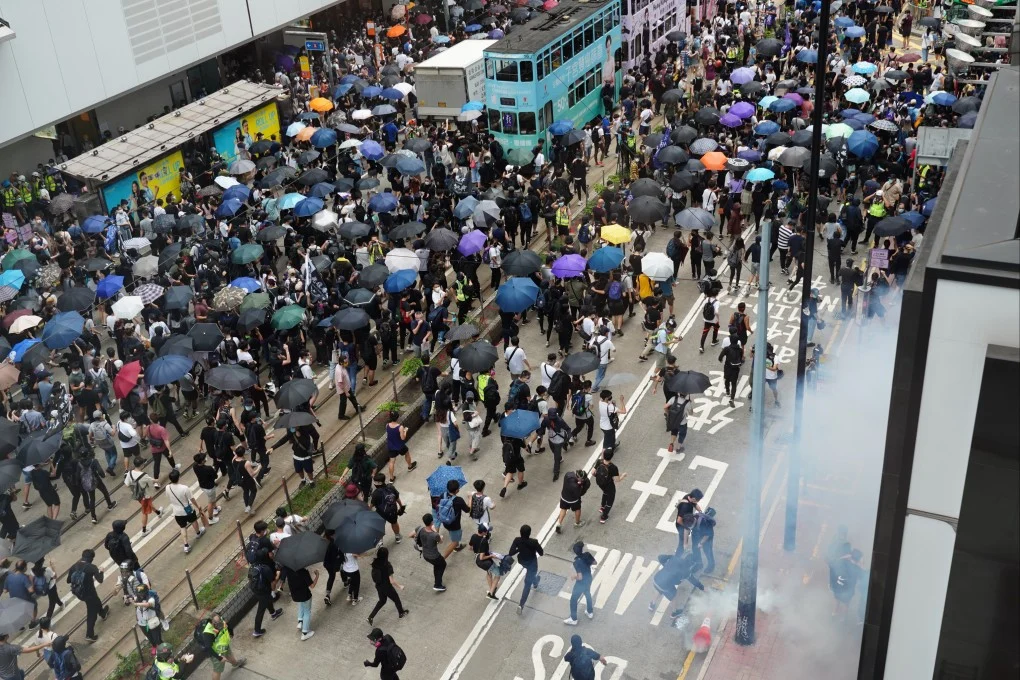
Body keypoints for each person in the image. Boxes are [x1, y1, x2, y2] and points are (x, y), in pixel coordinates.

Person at [67, 549, 108, 642]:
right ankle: (89, 635)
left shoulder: (74, 566)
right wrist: (101, 571)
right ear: (91, 558)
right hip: (90, 593)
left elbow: (68, 580)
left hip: (79, 593)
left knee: (96, 601)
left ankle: (102, 613)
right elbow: (100, 580)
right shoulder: (92, 567)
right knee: (91, 613)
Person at [165, 469, 205, 553]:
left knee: (182, 527)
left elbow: (168, 497)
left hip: (177, 512)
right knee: (193, 521)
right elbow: (192, 499)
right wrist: (198, 506)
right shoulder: (184, 488)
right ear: (179, 477)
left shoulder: (167, 487)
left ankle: (186, 545)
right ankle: (198, 533)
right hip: (187, 510)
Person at [366, 547, 408, 625]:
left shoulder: (375, 562)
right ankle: (401, 613)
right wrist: (400, 586)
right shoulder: (388, 565)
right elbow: (391, 581)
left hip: (379, 586)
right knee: (396, 599)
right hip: (387, 587)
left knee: (382, 601)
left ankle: (370, 617)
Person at [509, 524, 544, 614]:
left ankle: (535, 581)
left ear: (520, 532)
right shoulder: (534, 542)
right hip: (532, 564)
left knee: (531, 576)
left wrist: (519, 549)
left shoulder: (517, 540)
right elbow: (541, 553)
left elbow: (511, 552)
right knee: (527, 584)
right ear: (530, 533)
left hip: (522, 561)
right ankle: (521, 605)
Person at [199, 614, 246, 680]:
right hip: (216, 652)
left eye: (219, 621)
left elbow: (227, 624)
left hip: (223, 644)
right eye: (216, 623)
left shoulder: (220, 620)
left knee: (229, 655)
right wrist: (219, 658)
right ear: (211, 622)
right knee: (218, 670)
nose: (219, 624)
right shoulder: (208, 633)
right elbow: (208, 648)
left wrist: (231, 633)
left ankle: (235, 664)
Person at [563, 542, 598, 626]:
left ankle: (573, 619)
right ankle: (590, 612)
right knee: (587, 594)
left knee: (573, 600)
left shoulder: (576, 562)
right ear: (582, 549)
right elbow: (595, 563)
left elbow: (580, 577)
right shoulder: (587, 555)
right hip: (588, 578)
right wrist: (587, 562)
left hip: (581, 583)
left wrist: (574, 577)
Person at [124, 456, 162, 533]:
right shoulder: (144, 475)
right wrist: (157, 480)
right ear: (141, 465)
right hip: (145, 496)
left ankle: (158, 512)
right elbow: (151, 484)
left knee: (148, 504)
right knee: (145, 512)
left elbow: (127, 485)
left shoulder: (129, 473)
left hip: (138, 495)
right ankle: (144, 530)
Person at [410, 514, 446, 592]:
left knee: (437, 566)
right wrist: (437, 532)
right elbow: (441, 541)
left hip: (425, 555)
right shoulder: (434, 535)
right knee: (443, 564)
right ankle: (438, 585)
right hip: (434, 556)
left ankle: (437, 583)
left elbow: (410, 535)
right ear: (432, 522)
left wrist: (416, 537)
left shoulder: (420, 529)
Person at [285, 563, 318, 641]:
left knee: (301, 604)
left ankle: (300, 621)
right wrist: (317, 575)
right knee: (307, 612)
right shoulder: (303, 571)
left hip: (295, 595)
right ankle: (305, 633)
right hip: (305, 595)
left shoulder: (288, 569)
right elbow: (312, 586)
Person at [469, 524, 503, 599]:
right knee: (498, 574)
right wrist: (491, 556)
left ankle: (492, 589)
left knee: (489, 573)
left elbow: (470, 547)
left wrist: (479, 550)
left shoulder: (473, 536)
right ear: (484, 532)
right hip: (485, 562)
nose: (488, 532)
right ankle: (491, 593)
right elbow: (482, 557)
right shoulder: (484, 541)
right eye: (487, 531)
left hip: (477, 560)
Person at [369, 473, 404, 545]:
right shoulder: (391, 487)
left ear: (377, 483)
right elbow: (397, 498)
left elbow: (372, 505)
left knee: (380, 526)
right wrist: (401, 506)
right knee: (394, 523)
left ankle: (380, 542)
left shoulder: (376, 493)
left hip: (381, 513)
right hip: (392, 511)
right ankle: (397, 537)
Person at [593, 449, 626, 524]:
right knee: (610, 501)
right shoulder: (613, 467)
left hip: (600, 483)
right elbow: (617, 480)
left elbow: (592, 472)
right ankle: (604, 517)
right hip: (609, 486)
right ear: (612, 456)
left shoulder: (599, 462)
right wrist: (623, 476)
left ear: (603, 455)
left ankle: (602, 507)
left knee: (605, 492)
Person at [383, 411, 417, 482]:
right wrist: (405, 431)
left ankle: (391, 478)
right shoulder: (400, 427)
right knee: (407, 453)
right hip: (400, 446)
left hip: (391, 446)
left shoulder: (387, 425)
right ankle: (410, 466)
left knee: (392, 462)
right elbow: (403, 438)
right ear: (397, 418)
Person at [554, 469, 590, 533]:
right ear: (580, 479)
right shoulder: (576, 486)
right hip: (574, 500)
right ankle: (577, 523)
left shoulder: (568, 474)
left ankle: (559, 524)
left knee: (563, 509)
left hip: (564, 497)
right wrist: (580, 485)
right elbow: (580, 494)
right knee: (577, 509)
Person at [134, 583, 164, 655]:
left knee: (157, 637)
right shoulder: (137, 599)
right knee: (149, 636)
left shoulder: (151, 598)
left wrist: (137, 603)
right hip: (142, 623)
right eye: (138, 594)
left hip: (152, 621)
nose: (140, 596)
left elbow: (148, 604)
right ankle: (154, 646)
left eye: (141, 594)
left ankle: (162, 649)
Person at [691, 508, 717, 574]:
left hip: (707, 535)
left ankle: (711, 565)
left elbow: (707, 535)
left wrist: (701, 543)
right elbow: (686, 529)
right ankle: (699, 564)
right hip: (696, 533)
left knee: (707, 550)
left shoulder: (704, 522)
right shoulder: (688, 519)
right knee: (695, 548)